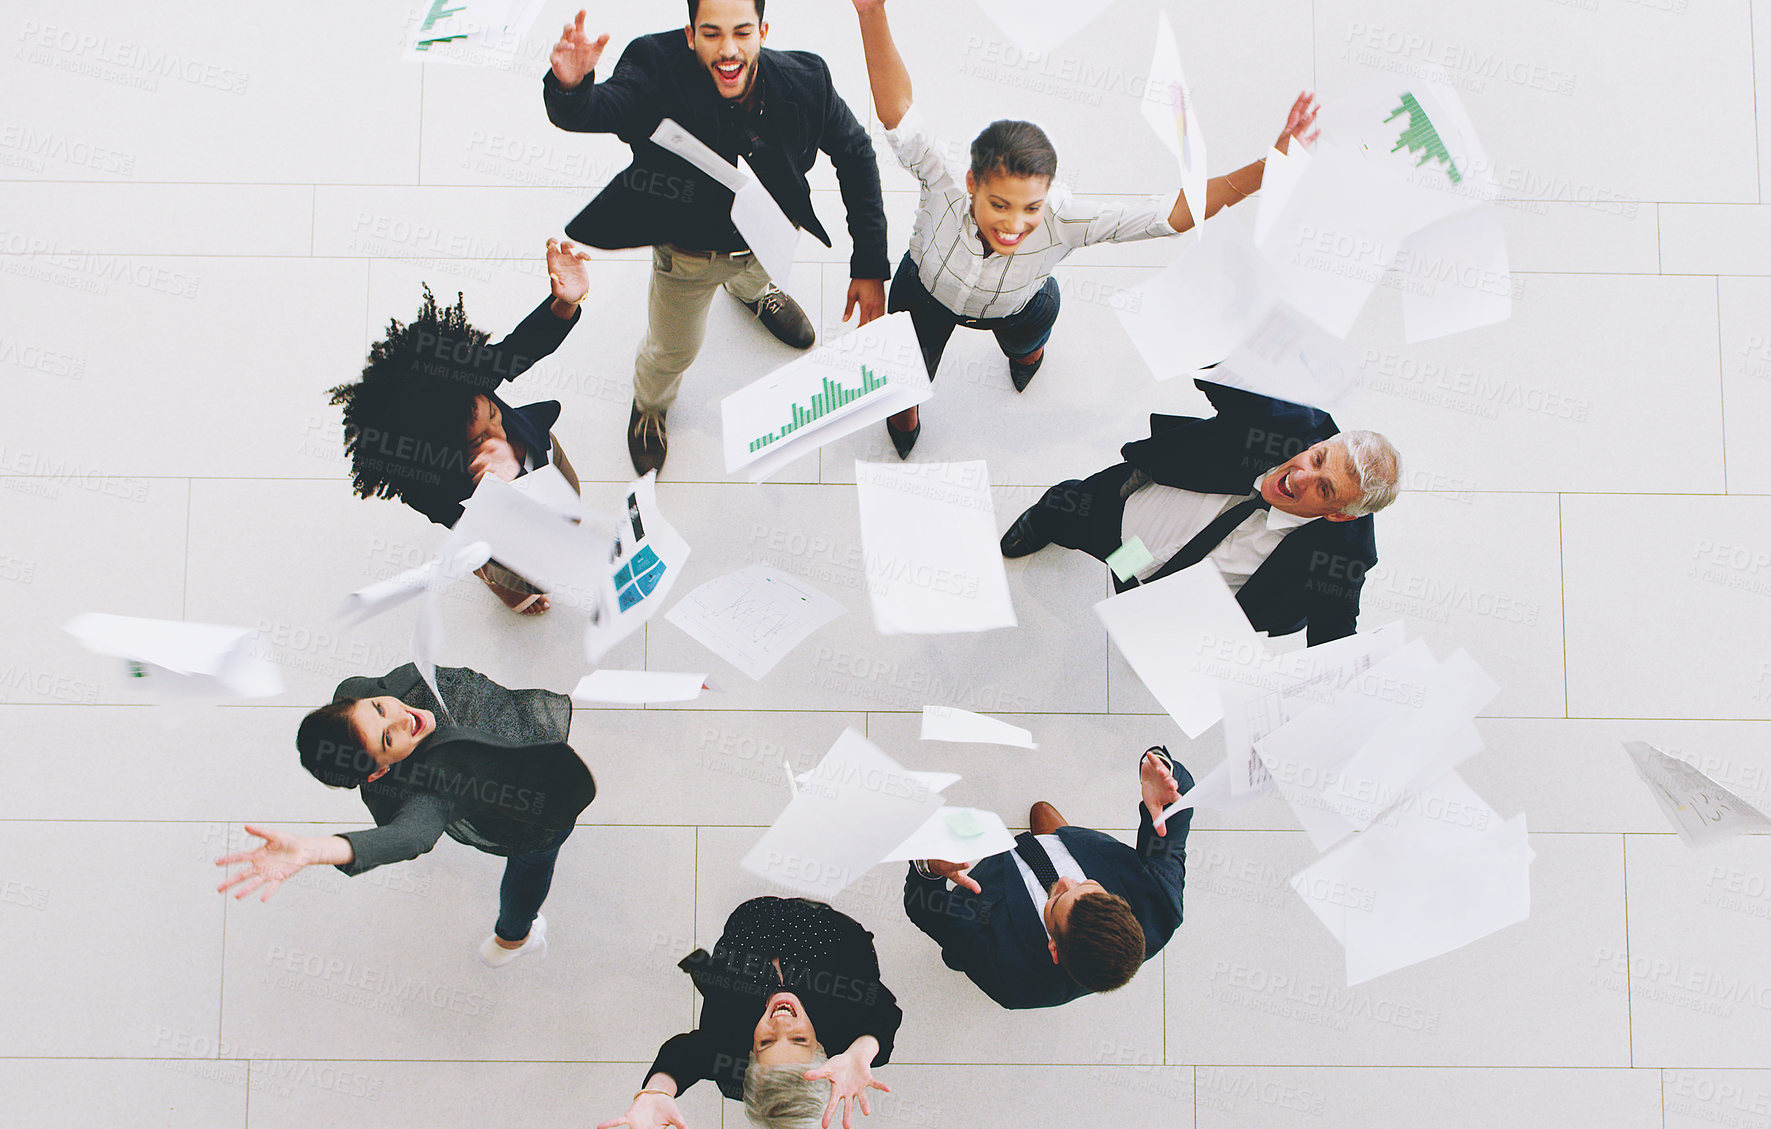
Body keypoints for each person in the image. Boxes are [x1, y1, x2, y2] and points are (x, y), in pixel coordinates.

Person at [850, 0, 1320, 457]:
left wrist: (1268, 168)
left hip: (1020, 307)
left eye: (1030, 208)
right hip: (925, 295)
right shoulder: (945, 176)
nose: (1014, 226)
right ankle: (906, 415)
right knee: (904, 378)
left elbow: (1169, 216)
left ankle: (1026, 358)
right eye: (999, 205)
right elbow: (898, 113)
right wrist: (872, 12)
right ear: (972, 183)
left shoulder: (1066, 217)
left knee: (1028, 346)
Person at [542, 1, 891, 476]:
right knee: (673, 350)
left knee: (758, 273)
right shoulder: (654, 70)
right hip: (688, 256)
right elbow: (594, 109)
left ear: (763, 30)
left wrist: (869, 262)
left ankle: (754, 293)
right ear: (690, 35)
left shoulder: (807, 78)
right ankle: (649, 405)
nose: (729, 51)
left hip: (768, 235)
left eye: (742, 33)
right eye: (712, 34)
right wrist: (570, 87)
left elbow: (854, 152)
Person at [215, 663, 596, 968]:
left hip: (508, 725)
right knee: (532, 864)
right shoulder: (429, 785)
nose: (402, 720)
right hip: (524, 806)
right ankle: (512, 938)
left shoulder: (361, 691)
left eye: (380, 708)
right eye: (387, 739)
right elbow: (411, 836)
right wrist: (315, 850)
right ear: (379, 772)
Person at [1001, 378, 1402, 646]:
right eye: (1317, 459)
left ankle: (1133, 598)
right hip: (1128, 515)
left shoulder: (1345, 554)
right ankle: (1042, 521)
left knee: (1129, 580)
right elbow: (1222, 371)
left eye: (1324, 488)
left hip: (1174, 588)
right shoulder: (1288, 423)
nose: (1300, 477)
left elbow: (1334, 641)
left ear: (1340, 515)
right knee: (1068, 510)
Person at [327, 239, 591, 615]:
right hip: (493, 521)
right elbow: (454, 519)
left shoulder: (465, 384)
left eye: (494, 418)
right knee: (512, 569)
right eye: (479, 441)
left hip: (543, 456)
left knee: (570, 509)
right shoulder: (427, 481)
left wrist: (564, 303)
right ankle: (502, 585)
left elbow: (524, 346)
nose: (500, 438)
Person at [903, 748, 1192, 1011]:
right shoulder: (1158, 904)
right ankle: (1050, 841)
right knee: (1055, 845)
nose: (1066, 879)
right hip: (1071, 847)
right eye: (1087, 884)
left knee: (958, 943)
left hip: (992, 899)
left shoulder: (1008, 975)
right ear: (1123, 904)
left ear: (1053, 947)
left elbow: (924, 908)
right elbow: (1171, 823)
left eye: (1057, 899)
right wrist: (1163, 780)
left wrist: (927, 867)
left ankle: (959, 953)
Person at [598, 896, 898, 1129]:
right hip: (820, 927)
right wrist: (861, 1051)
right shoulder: (848, 1040)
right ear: (822, 1046)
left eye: (765, 1043)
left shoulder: (732, 1068)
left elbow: (686, 1055)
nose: (781, 1024)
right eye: (799, 1040)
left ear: (749, 1055)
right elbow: (884, 1013)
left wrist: (656, 1093)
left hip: (752, 924)